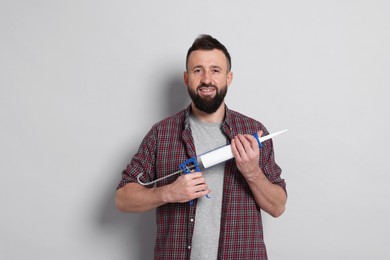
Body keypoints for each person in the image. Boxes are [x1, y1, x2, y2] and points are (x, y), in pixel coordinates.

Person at [115, 34, 287, 260]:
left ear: (229, 77)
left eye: (215, 70)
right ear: (187, 78)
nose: (207, 79)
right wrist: (168, 192)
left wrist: (252, 171)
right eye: (198, 70)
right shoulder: (161, 134)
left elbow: (277, 207)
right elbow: (122, 199)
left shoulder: (253, 132)